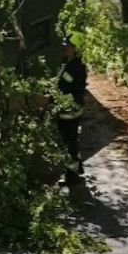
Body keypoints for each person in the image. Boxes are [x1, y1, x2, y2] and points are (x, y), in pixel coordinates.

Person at [54, 32, 88, 184]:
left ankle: (72, 175)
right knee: (70, 141)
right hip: (65, 108)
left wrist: (53, 95)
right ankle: (77, 167)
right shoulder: (66, 62)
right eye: (64, 46)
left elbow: (70, 88)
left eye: (68, 46)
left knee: (69, 143)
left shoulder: (78, 68)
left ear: (76, 49)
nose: (65, 48)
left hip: (70, 111)